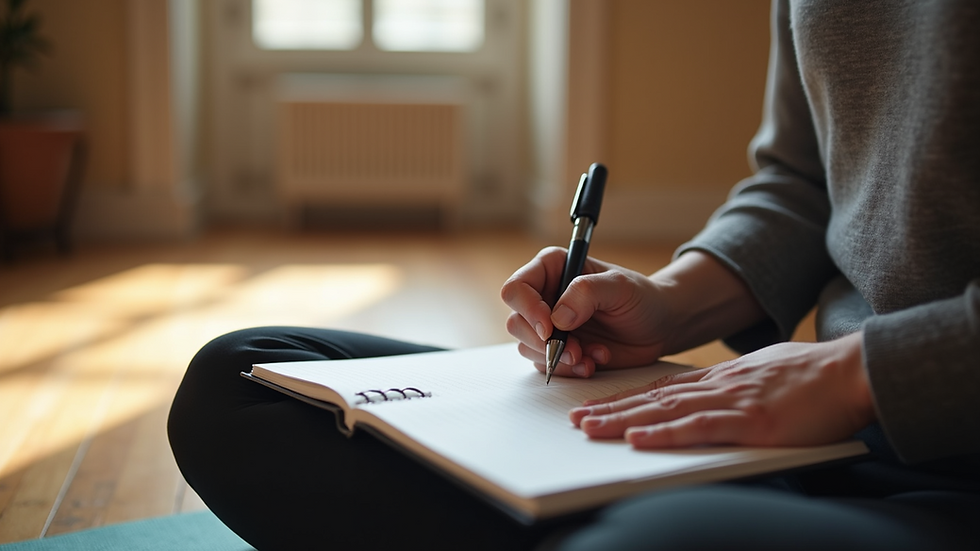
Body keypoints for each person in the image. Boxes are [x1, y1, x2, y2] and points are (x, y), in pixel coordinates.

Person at [168, 1, 980, 549]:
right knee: (237, 382)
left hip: (947, 458)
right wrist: (666, 302)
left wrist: (864, 372)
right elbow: (802, 181)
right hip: (820, 435)